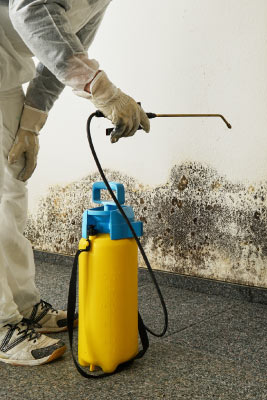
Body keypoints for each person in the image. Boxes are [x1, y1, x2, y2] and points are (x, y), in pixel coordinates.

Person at [0, 0, 149, 366]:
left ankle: (23, 303)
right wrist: (105, 92)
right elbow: (30, 9)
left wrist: (30, 126)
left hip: (4, 76)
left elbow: (62, 53)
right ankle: (2, 324)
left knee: (11, 193)